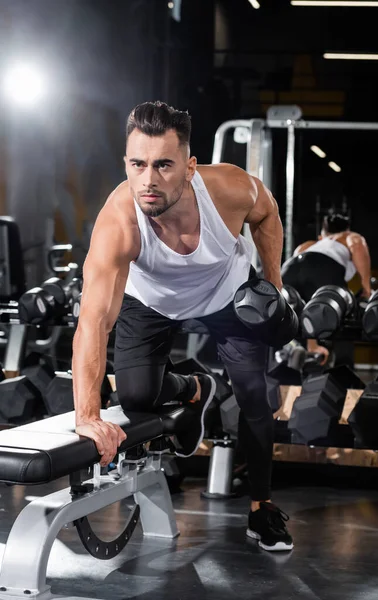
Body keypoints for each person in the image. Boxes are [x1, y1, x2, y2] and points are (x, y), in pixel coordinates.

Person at [72, 101, 293, 552]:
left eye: (163, 165)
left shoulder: (227, 188)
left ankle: (262, 509)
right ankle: (196, 387)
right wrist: (87, 417)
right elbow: (93, 321)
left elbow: (267, 213)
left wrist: (274, 284)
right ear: (126, 164)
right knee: (134, 395)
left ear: (190, 167)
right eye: (137, 165)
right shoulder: (119, 223)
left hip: (226, 293)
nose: (148, 180)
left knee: (254, 395)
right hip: (150, 299)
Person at [281, 213, 372, 362]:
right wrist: (366, 289)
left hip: (289, 268)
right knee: (343, 317)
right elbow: (357, 244)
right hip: (323, 267)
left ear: (323, 234)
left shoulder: (310, 244)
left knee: (296, 313)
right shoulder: (347, 236)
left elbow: (299, 257)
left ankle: (308, 351)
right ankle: (343, 373)